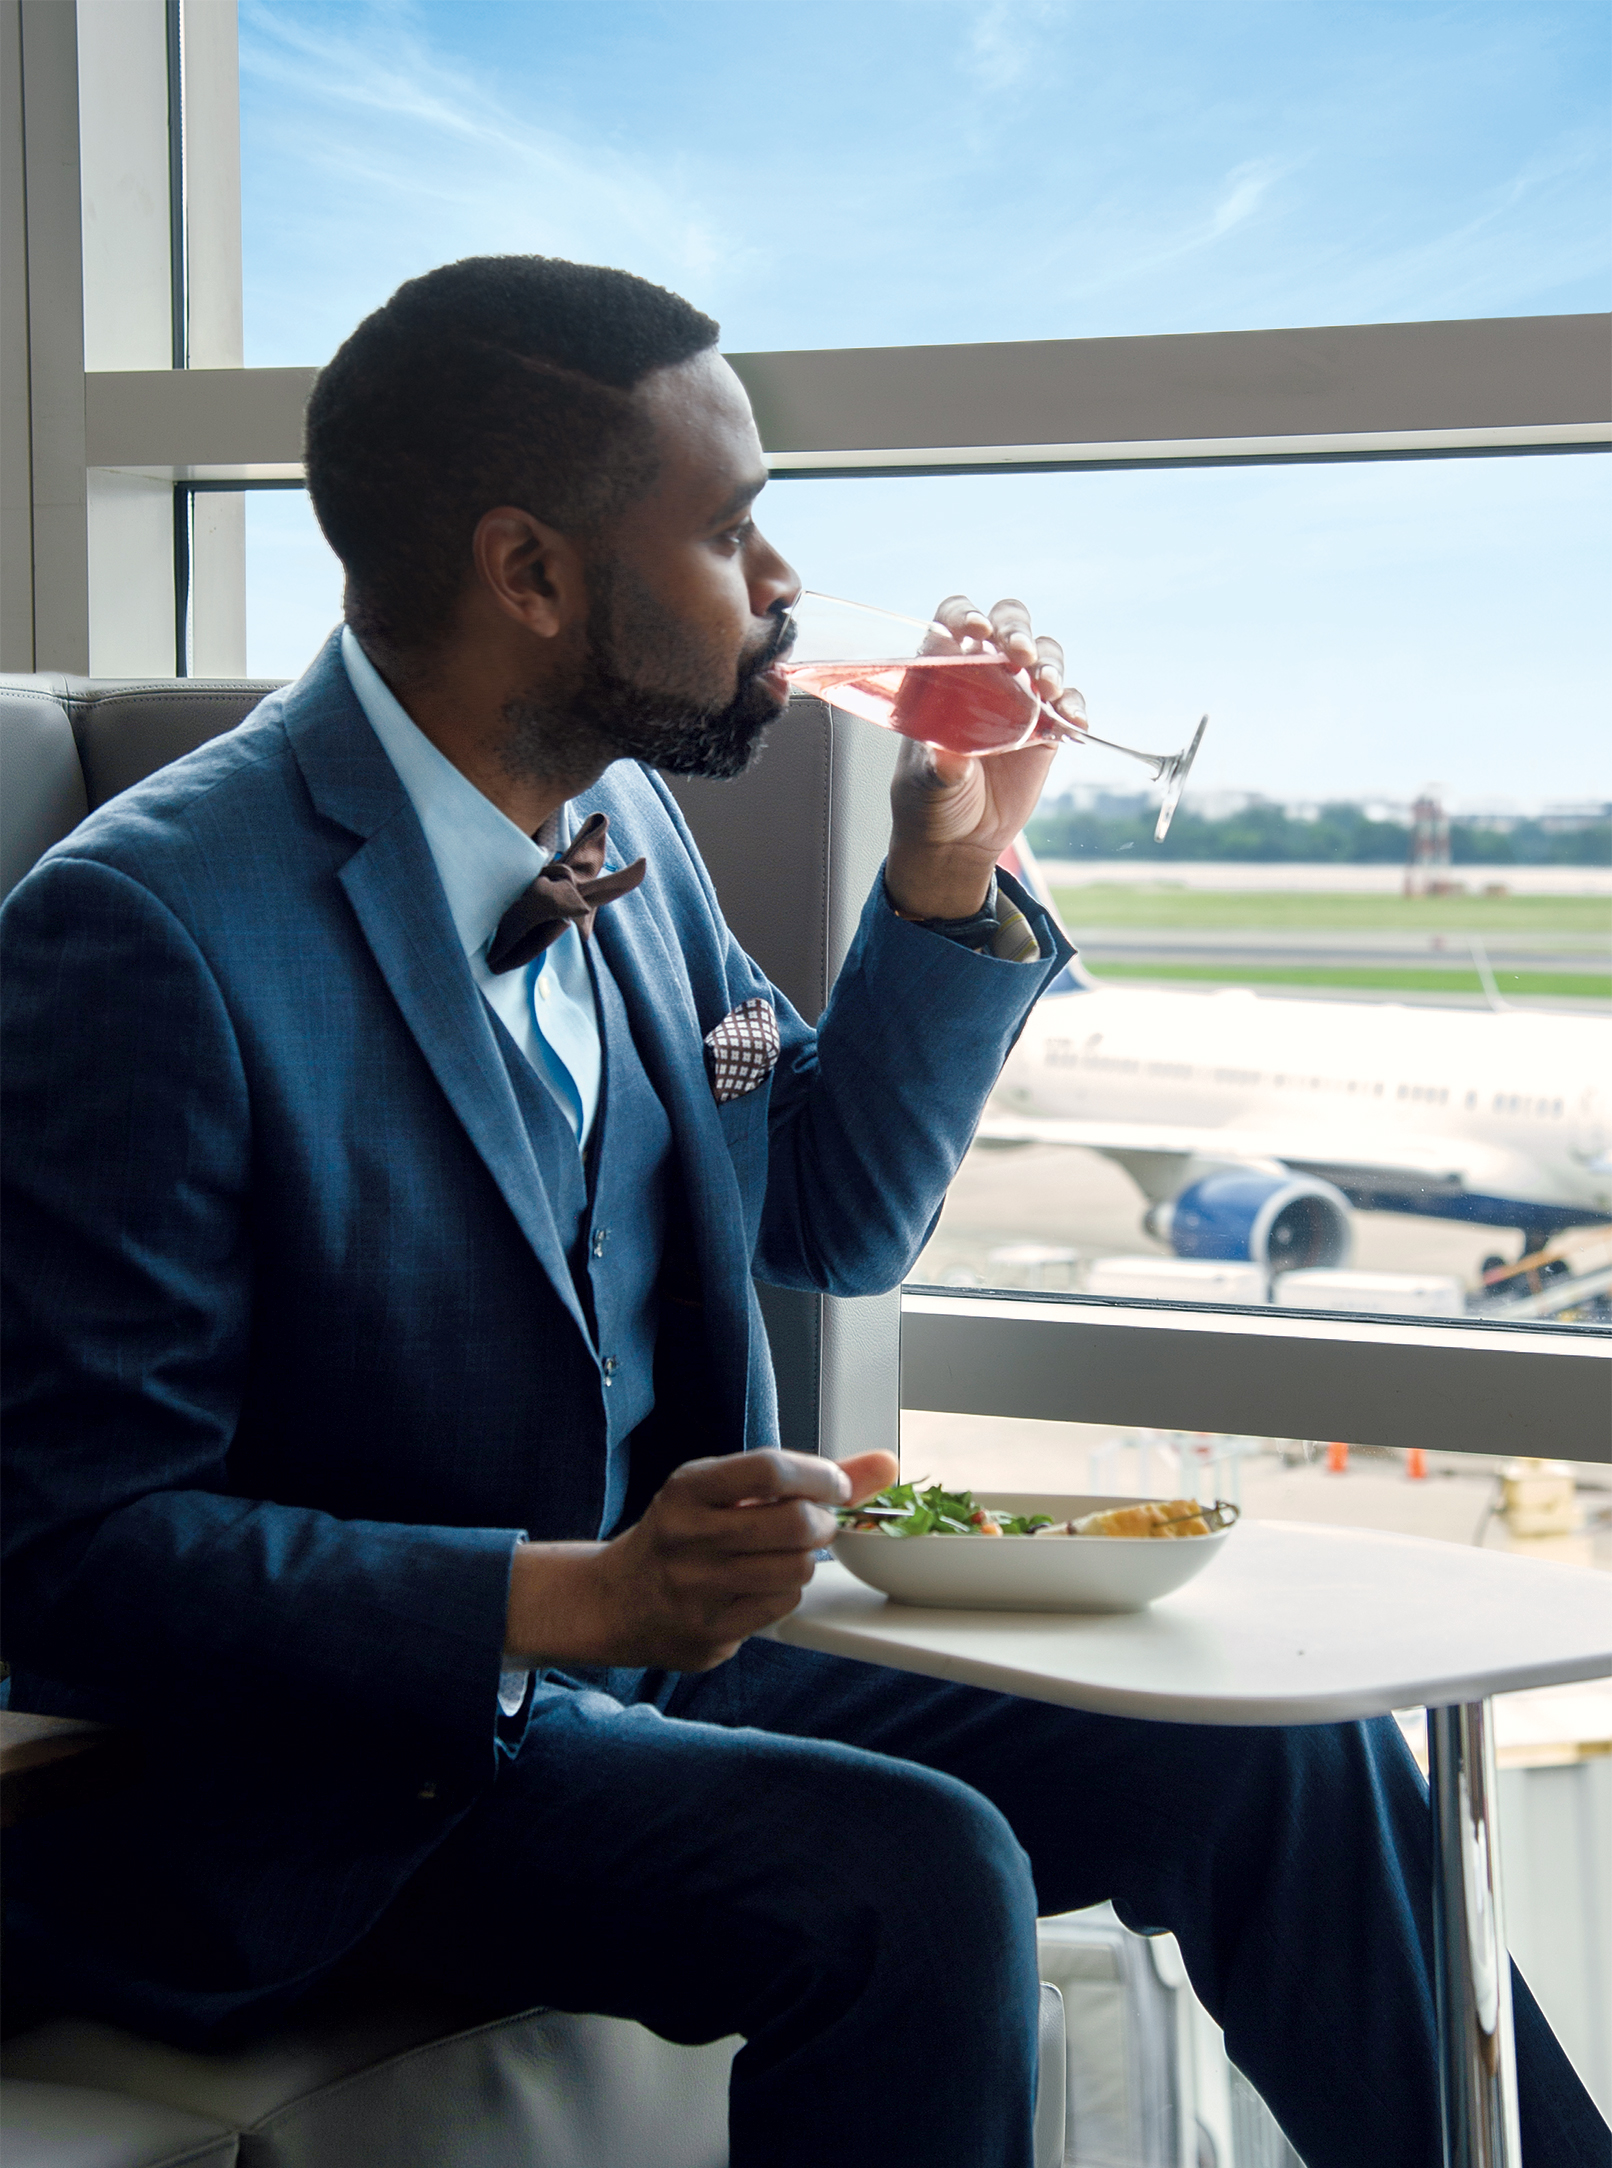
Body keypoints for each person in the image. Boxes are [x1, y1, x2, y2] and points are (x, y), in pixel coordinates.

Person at [2, 255, 1602, 2168]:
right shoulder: (146, 930)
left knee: (1282, 1748)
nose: (781, 586)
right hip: (334, 1782)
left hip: (648, 1683)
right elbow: (70, 1552)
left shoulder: (625, 836)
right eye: (734, 531)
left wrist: (951, 877)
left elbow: (830, 1210)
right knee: (915, 1876)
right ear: (530, 574)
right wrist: (581, 1593)